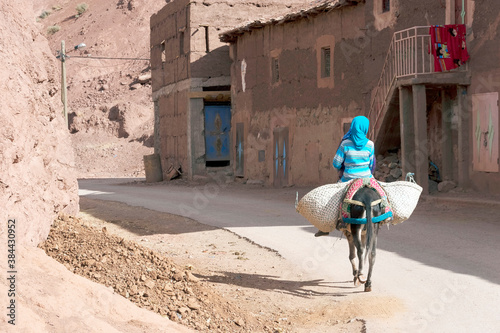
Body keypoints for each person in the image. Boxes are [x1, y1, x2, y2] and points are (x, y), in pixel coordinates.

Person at [314, 115, 376, 237]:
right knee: (383, 194)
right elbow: (371, 164)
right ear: (365, 128)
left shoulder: (345, 144)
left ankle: (327, 227)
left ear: (353, 127)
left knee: (332, 199)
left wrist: (343, 166)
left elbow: (336, 163)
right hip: (367, 179)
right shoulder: (370, 144)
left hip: (348, 180)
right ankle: (388, 214)